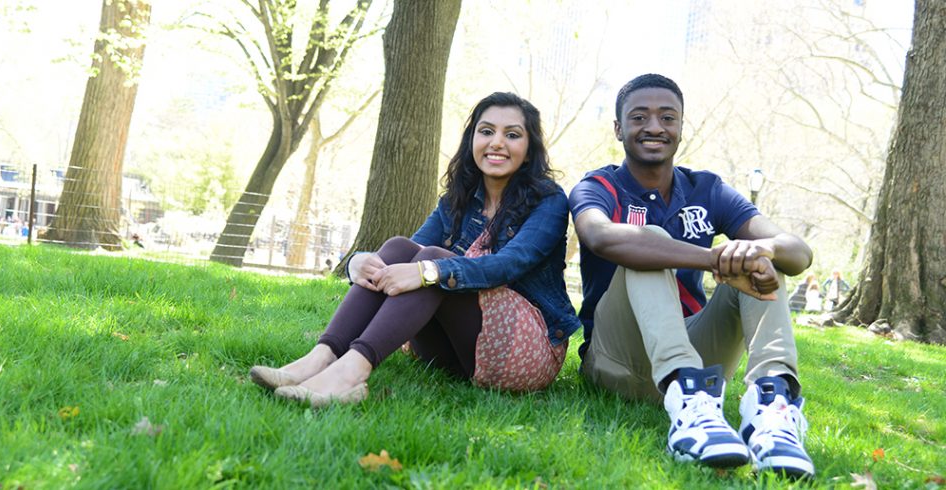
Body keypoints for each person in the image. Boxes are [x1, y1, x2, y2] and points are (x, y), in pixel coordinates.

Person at [249, 92, 580, 407]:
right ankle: (322, 357)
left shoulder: (548, 200)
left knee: (432, 262)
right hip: (454, 350)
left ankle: (350, 373)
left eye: (512, 135)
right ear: (472, 141)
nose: (497, 142)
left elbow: (509, 265)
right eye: (487, 131)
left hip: (523, 351)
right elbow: (408, 251)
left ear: (529, 147)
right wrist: (358, 263)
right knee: (398, 247)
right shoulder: (458, 200)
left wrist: (430, 271)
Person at [569, 74, 815, 477]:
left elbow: (799, 252)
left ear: (681, 127)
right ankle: (687, 402)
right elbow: (599, 236)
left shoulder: (707, 188)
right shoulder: (598, 186)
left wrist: (758, 251)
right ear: (618, 128)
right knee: (647, 242)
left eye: (667, 117)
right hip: (618, 360)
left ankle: (772, 412)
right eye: (639, 117)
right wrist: (714, 258)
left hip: (699, 349)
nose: (654, 127)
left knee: (760, 263)